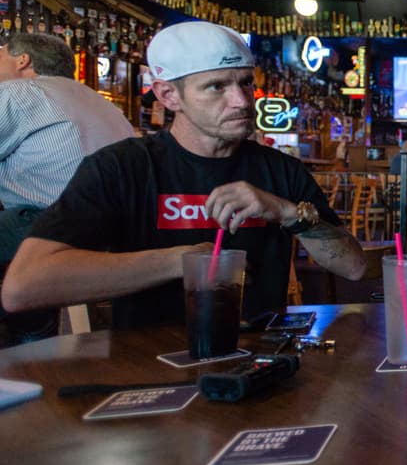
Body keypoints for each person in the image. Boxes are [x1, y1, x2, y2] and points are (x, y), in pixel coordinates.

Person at [2, 21, 367, 330]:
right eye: (216, 87)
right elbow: (23, 287)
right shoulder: (123, 167)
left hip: (261, 359)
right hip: (150, 363)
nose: (241, 101)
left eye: (244, 83)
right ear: (168, 95)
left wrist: (289, 213)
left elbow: (353, 268)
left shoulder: (279, 170)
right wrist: (182, 261)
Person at [0, 33, 135, 341]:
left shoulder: (19, 93)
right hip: (115, 232)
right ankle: (30, 323)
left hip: (58, 226)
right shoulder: (97, 100)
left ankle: (28, 326)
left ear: (23, 61)